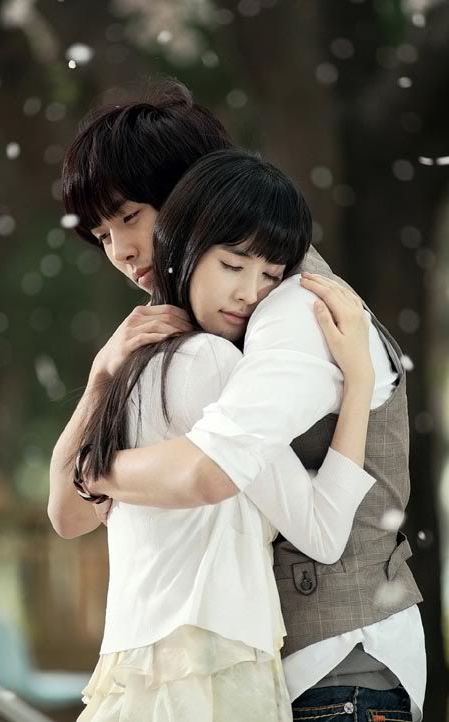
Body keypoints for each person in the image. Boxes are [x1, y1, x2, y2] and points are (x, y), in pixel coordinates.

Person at [49, 81, 425, 721]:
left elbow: (210, 471)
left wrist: (93, 471)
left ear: (192, 192)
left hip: (337, 665)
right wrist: (100, 377)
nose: (121, 251)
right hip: (252, 675)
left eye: (130, 217)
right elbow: (68, 515)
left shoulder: (295, 308)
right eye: (103, 234)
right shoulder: (178, 338)